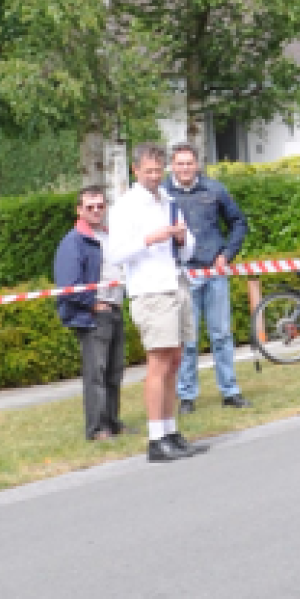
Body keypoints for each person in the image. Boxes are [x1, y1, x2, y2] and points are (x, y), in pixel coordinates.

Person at [106, 143, 200, 462]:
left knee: (175, 359)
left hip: (175, 283)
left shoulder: (169, 201)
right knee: (158, 362)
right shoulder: (126, 207)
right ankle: (156, 437)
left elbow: (188, 249)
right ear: (135, 171)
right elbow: (116, 253)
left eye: (159, 170)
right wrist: (150, 239)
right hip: (150, 290)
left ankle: (171, 430)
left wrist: (182, 238)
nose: (155, 176)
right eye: (149, 171)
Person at [164, 143, 250, 413]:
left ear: (197, 164)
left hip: (214, 273)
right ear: (172, 166)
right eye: (180, 163)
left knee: (221, 335)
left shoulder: (215, 189)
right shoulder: (163, 193)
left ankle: (230, 392)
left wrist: (227, 254)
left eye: (189, 163)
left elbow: (239, 223)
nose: (185, 168)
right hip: (182, 274)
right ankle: (187, 397)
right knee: (187, 339)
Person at [54, 186, 126, 441]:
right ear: (79, 210)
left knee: (114, 371)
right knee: (96, 373)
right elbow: (68, 285)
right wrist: (93, 304)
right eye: (90, 207)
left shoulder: (108, 236)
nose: (96, 211)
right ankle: (96, 428)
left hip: (115, 309)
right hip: (93, 316)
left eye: (100, 206)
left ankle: (112, 422)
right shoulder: (73, 241)